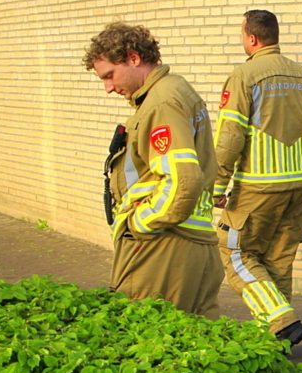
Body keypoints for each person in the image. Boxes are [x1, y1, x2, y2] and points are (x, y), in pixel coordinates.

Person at [83, 21, 223, 318]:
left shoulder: (160, 103)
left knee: (145, 338)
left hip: (163, 247)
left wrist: (140, 223)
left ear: (133, 58)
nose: (108, 87)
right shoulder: (175, 89)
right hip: (193, 244)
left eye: (110, 75)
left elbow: (182, 181)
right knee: (194, 342)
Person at [213, 9, 302, 348]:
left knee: (235, 252)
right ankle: (278, 347)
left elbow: (230, 137)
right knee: (277, 263)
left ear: (251, 38)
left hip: (257, 188)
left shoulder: (244, 76)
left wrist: (217, 185)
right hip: (296, 188)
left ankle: (283, 323)